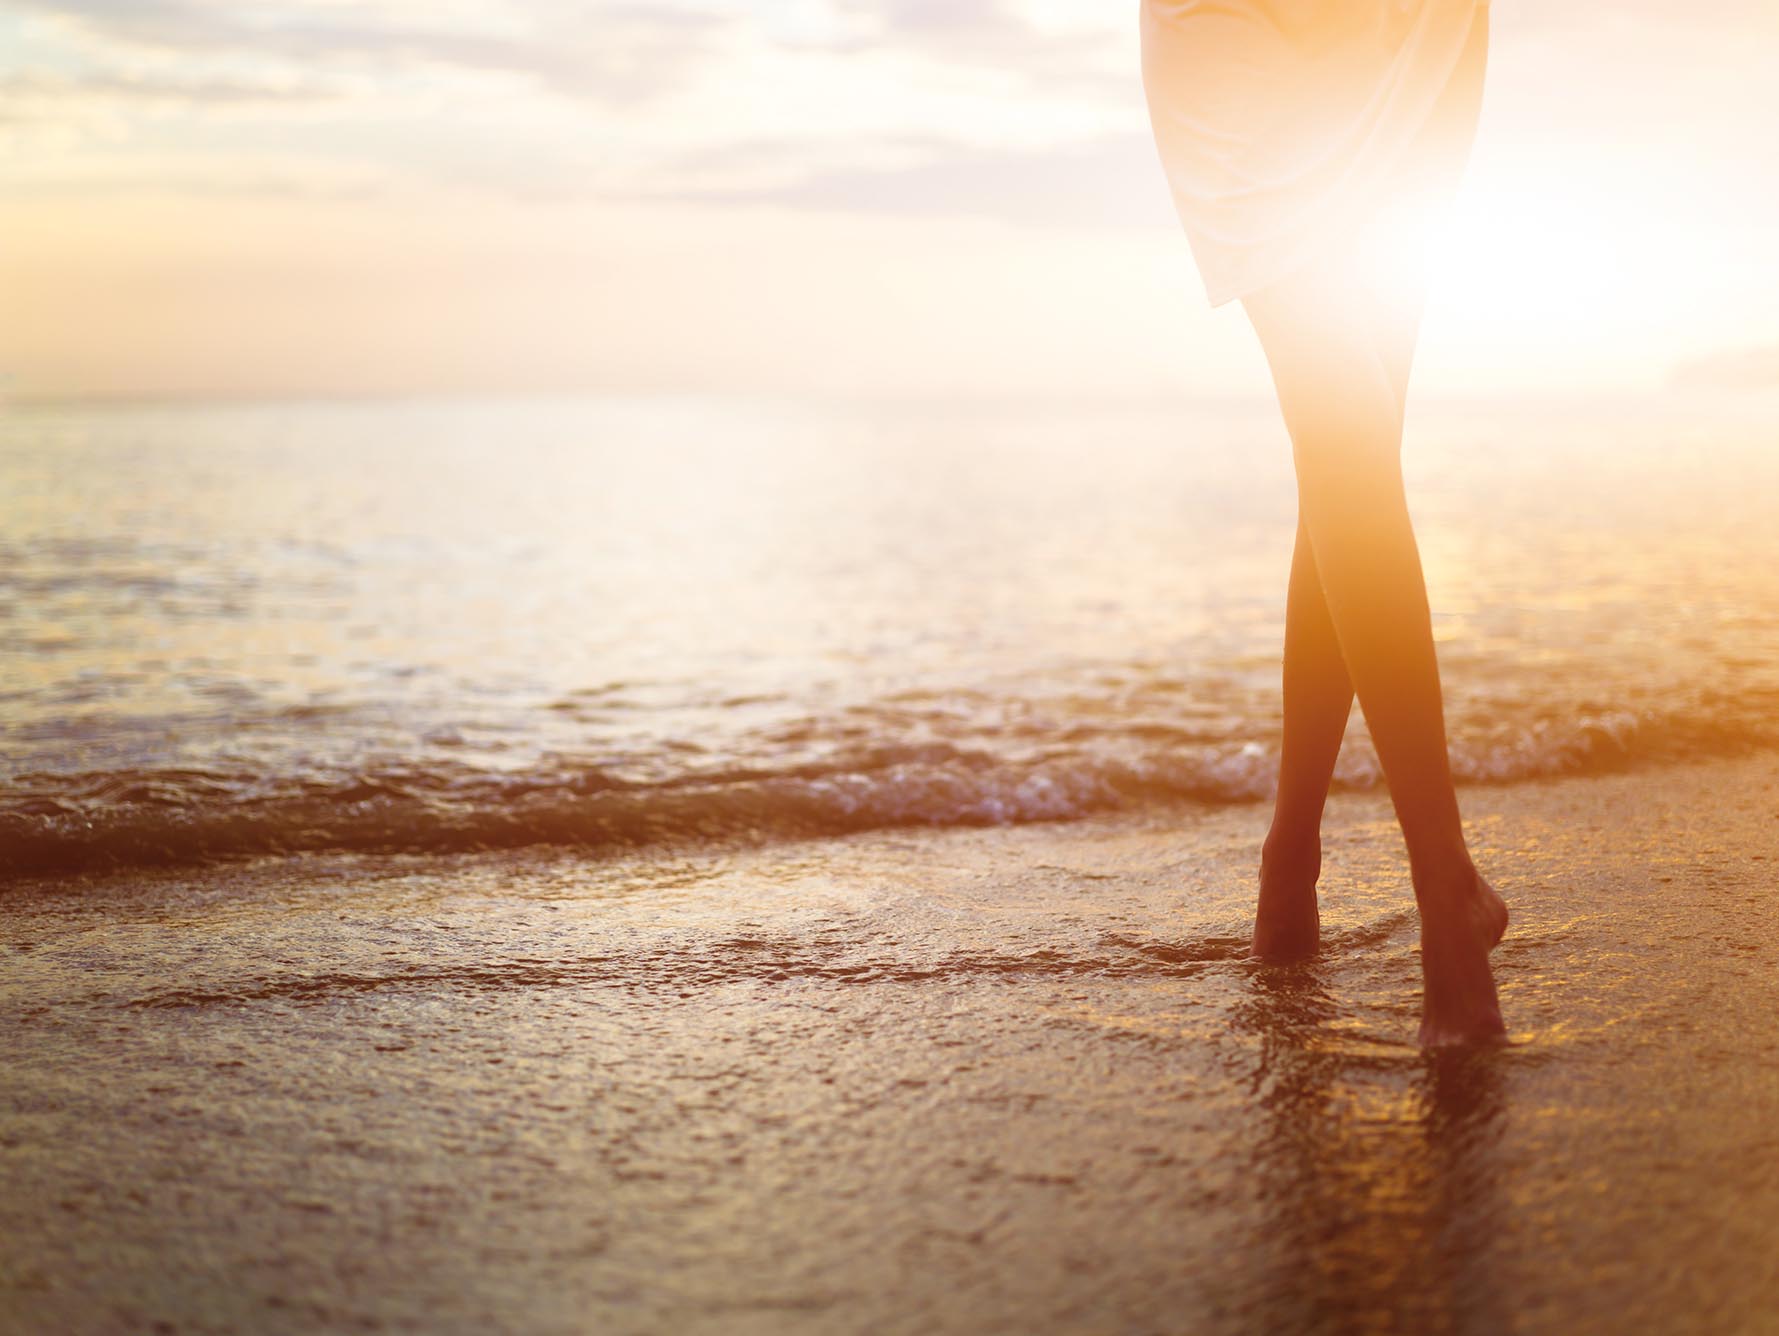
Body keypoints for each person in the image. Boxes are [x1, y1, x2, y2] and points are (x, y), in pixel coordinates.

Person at [1141, 0, 1507, 1045]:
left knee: (1354, 453)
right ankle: (1446, 896)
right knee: (1346, 437)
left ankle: (1290, 860)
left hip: (1409, 28)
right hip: (1236, 41)